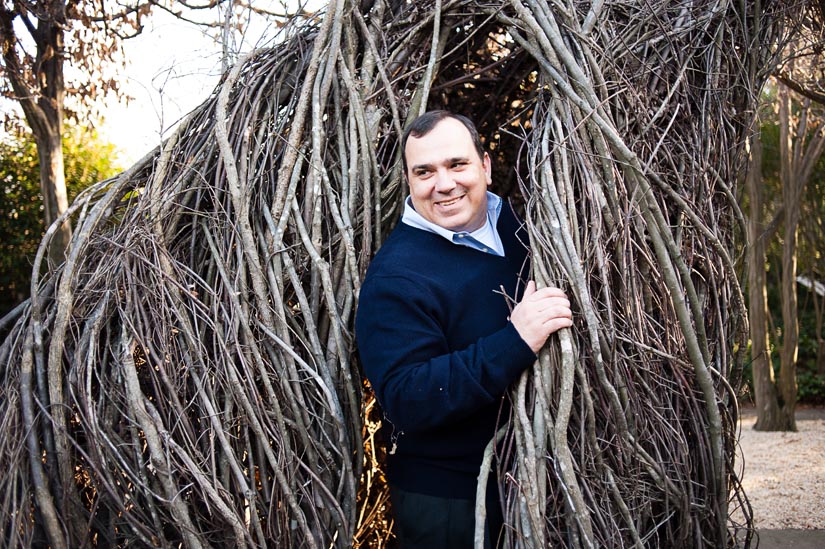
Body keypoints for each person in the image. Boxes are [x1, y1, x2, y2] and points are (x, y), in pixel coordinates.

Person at [355, 111, 573, 548]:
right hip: (451, 500)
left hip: (534, 479)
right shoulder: (396, 278)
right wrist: (516, 340)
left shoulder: (518, 227)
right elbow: (407, 397)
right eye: (425, 172)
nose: (445, 183)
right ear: (409, 181)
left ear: (485, 167)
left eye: (457, 165)